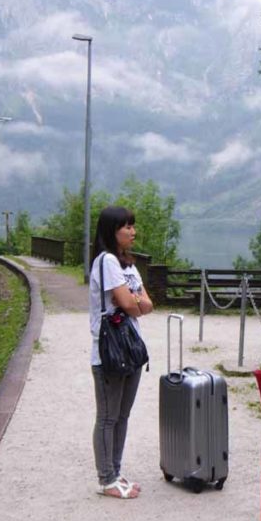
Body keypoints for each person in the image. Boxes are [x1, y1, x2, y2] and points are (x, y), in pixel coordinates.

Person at [89, 206, 154, 499]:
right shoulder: (107, 262)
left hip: (131, 346)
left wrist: (134, 299)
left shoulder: (129, 264)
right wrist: (134, 300)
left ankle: (115, 472)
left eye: (133, 226)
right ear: (111, 231)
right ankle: (106, 479)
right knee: (108, 416)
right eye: (126, 226)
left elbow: (148, 305)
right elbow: (130, 305)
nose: (132, 231)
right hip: (110, 351)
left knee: (122, 415)